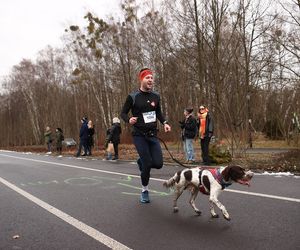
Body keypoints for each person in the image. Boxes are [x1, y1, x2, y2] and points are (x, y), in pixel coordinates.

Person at [120, 68, 171, 203]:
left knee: (159, 164)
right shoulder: (133, 97)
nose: (150, 80)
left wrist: (165, 122)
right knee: (147, 164)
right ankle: (144, 190)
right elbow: (123, 113)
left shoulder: (156, 96)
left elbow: (158, 113)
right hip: (139, 135)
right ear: (141, 79)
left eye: (151, 78)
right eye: (147, 78)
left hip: (153, 135)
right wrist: (128, 120)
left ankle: (141, 162)